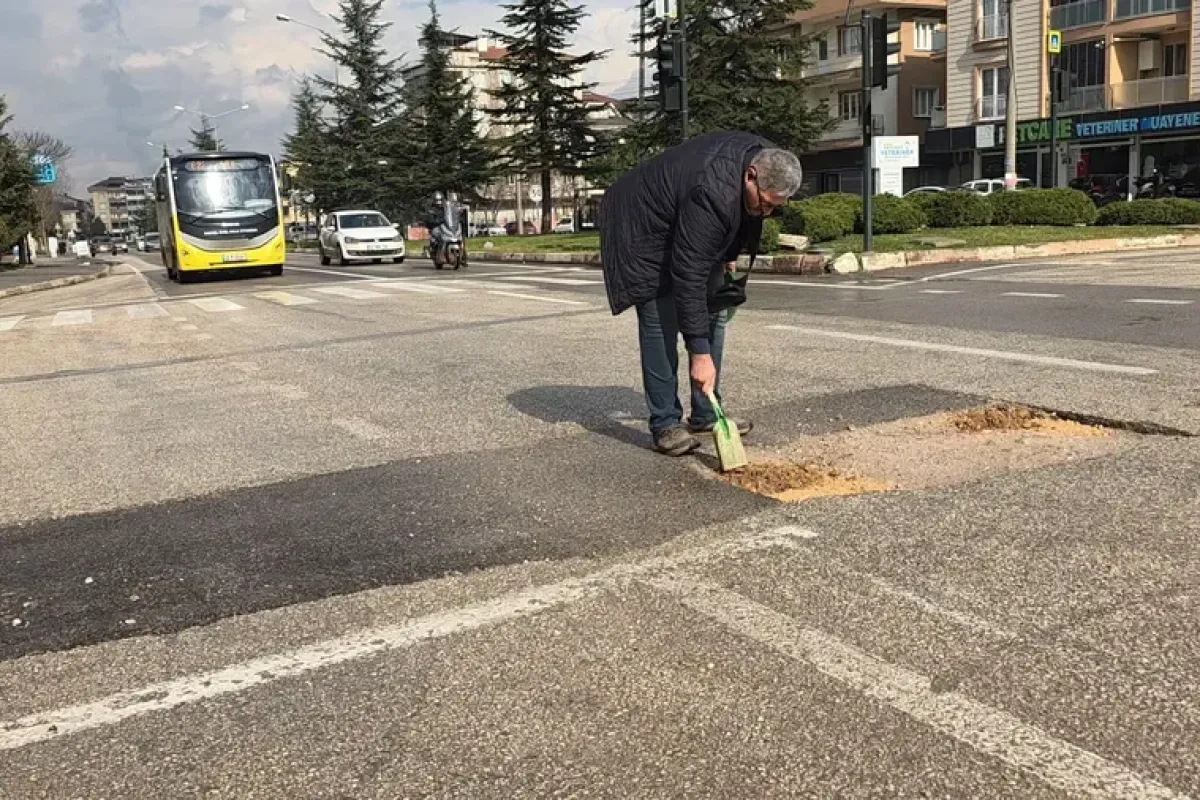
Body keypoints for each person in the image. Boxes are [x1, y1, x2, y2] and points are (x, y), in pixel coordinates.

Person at [599, 131, 803, 456]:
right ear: (750, 175)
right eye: (765, 204)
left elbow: (736, 218)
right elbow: (689, 271)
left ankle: (706, 412)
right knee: (660, 321)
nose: (766, 213)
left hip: (686, 216)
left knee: (715, 312)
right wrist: (699, 354)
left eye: (774, 208)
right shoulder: (712, 191)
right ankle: (665, 423)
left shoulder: (765, 158)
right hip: (641, 226)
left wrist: (729, 251)